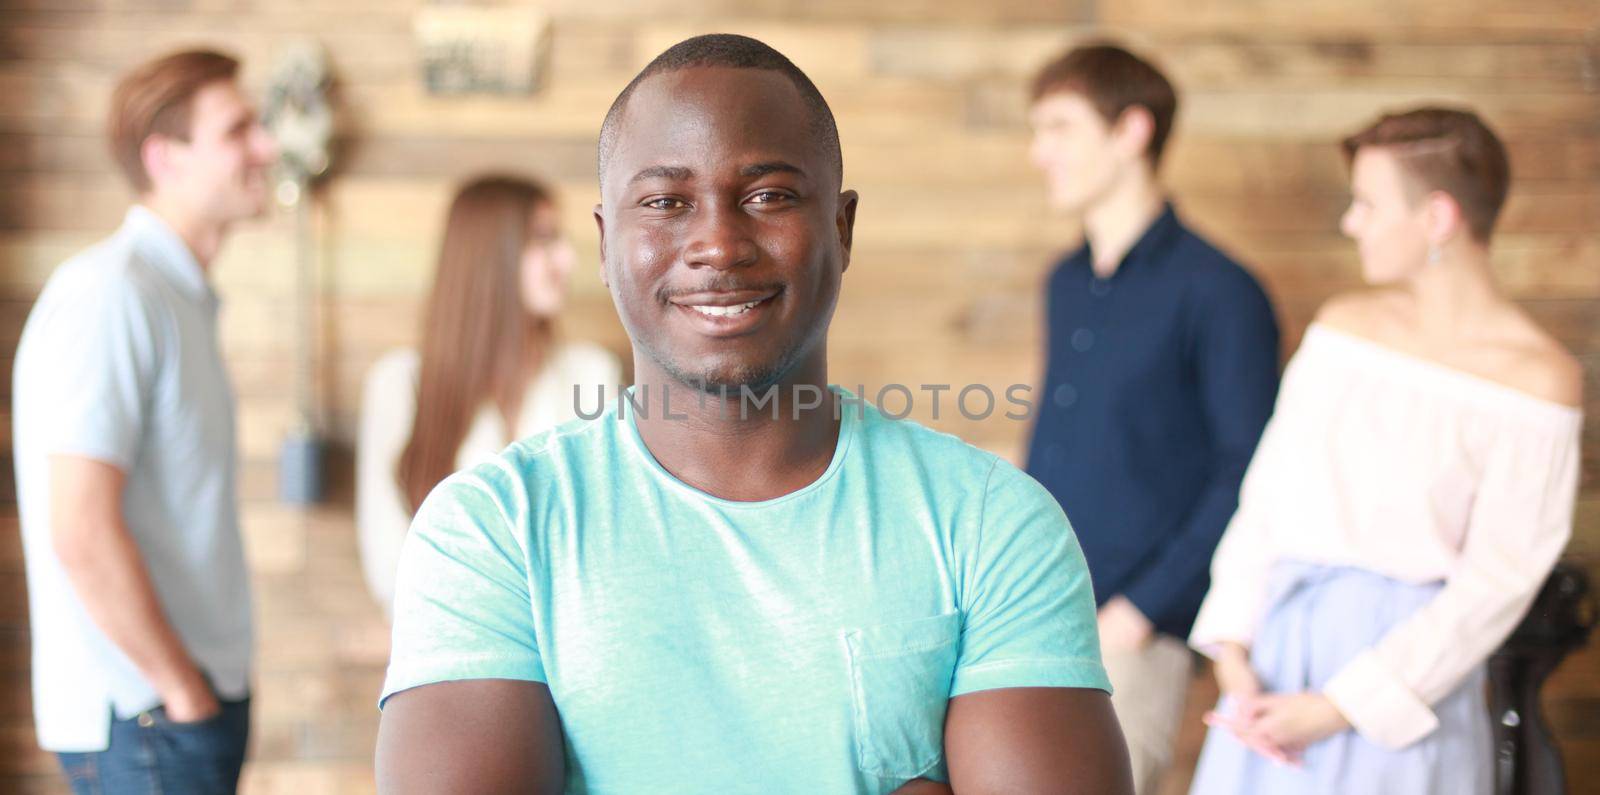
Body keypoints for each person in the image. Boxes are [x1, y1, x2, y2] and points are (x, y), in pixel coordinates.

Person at [375, 34, 1132, 794]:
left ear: (841, 230)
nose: (718, 244)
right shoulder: (490, 530)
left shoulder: (992, 523)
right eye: (666, 202)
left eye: (768, 195)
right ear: (607, 247)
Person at [1187, 107, 1583, 794]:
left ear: (1437, 218)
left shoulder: (1538, 379)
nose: (1350, 222)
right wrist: (1234, 655)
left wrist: (1340, 706)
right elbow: (1266, 498)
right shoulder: (1343, 329)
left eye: (1367, 203)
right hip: (1276, 667)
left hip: (1406, 690)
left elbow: (1498, 583)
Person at [11, 49, 276, 793]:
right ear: (164, 158)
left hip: (179, 710)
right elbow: (81, 528)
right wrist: (182, 691)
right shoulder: (114, 294)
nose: (267, 147)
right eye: (238, 130)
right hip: (150, 719)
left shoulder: (174, 295)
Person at [1022, 42, 1281, 793]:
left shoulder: (1221, 290)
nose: (1038, 153)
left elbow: (1249, 473)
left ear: (1132, 131)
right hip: (1037, 606)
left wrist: (1139, 612)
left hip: (1134, 632)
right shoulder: (1065, 281)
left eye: (1059, 128)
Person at [356, 175, 621, 618]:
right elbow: (389, 566)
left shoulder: (592, 375)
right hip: (444, 652)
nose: (568, 259)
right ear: (487, 259)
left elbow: (604, 540)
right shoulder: (399, 385)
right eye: (543, 240)